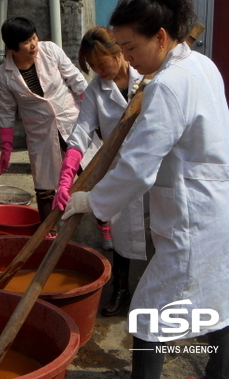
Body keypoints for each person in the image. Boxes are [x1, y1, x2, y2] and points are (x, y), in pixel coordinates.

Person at [62, 0, 229, 379]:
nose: (127, 57)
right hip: (214, 206)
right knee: (218, 299)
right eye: (120, 49)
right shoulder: (201, 65)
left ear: (159, 37)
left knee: (150, 313)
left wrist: (94, 201)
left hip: (193, 214)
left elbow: (138, 167)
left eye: (131, 48)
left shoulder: (168, 85)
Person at [52, 26, 146, 316]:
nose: (97, 70)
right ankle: (121, 290)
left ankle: (158, 294)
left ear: (118, 52)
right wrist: (67, 172)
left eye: (101, 63)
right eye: (91, 66)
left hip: (153, 164)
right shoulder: (96, 89)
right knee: (121, 234)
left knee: (162, 232)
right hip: (119, 167)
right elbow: (83, 129)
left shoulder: (146, 80)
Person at [0, 16, 91, 236]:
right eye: (27, 41)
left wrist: (93, 109)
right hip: (39, 130)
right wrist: (6, 146)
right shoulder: (3, 74)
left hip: (70, 117)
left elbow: (75, 79)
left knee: (90, 171)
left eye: (34, 37)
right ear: (12, 47)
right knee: (45, 185)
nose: (34, 44)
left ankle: (104, 225)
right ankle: (48, 233)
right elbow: (6, 110)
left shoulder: (50, 50)